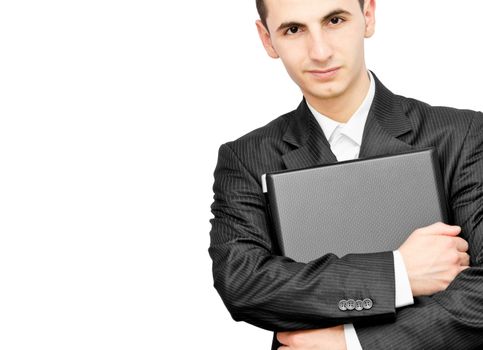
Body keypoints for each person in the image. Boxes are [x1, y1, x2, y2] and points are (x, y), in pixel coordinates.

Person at [209, 0, 483, 349]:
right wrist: (397, 273)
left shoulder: (464, 134)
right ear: (267, 40)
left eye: (335, 20)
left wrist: (353, 344)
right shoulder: (246, 157)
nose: (320, 51)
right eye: (293, 30)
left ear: (367, 16)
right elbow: (243, 283)